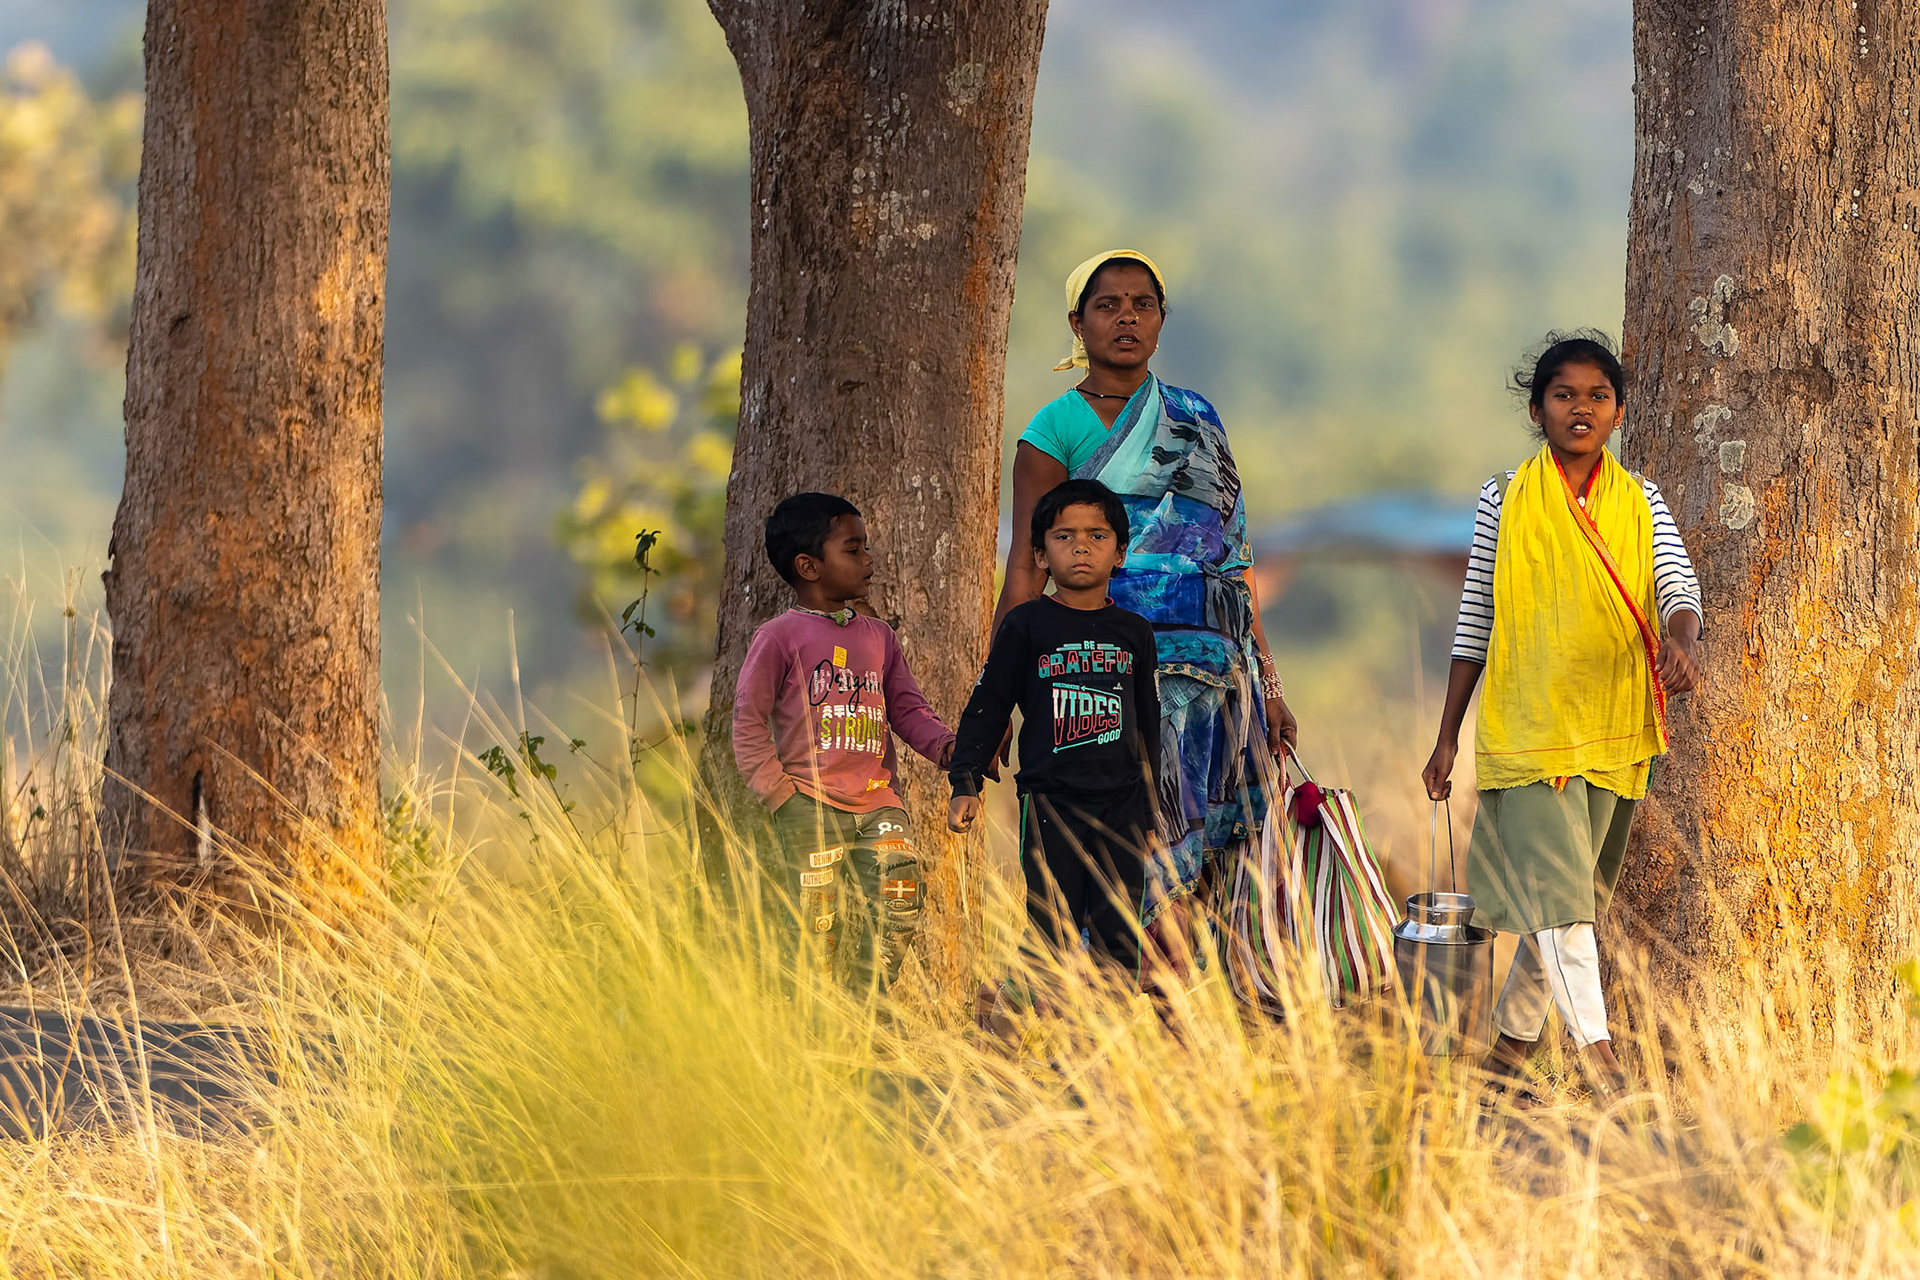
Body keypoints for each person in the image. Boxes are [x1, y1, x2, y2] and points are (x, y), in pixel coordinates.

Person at [1421, 332, 1703, 1096]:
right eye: (1564, 394)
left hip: (1614, 729)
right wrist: (1447, 737)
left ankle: (1509, 1056)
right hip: (1529, 727)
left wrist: (1681, 644)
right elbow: (1476, 616)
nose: (1581, 408)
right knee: (1562, 900)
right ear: (1538, 406)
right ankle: (1602, 1063)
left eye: (1597, 395)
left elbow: (1678, 589)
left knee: (1569, 899)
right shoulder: (1503, 498)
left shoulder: (1642, 500)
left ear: (1617, 411)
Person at [992, 249, 1297, 948]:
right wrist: (1000, 691)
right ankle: (1131, 1016)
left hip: (1215, 683)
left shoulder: (1199, 419)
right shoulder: (1053, 431)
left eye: (1142, 304)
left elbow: (1236, 559)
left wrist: (1269, 684)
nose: (1126, 317)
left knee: (1208, 868)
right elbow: (1024, 567)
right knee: (1121, 852)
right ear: (1078, 323)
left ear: (1161, 319)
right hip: (1103, 679)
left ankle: (1179, 1028)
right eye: (1107, 305)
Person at [732, 492, 956, 991]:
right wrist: (780, 796)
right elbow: (748, 722)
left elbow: (907, 709)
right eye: (852, 550)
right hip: (807, 804)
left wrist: (946, 748)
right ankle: (814, 1027)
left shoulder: (879, 636)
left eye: (865, 547)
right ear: (809, 566)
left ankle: (865, 1009)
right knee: (815, 928)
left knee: (900, 903)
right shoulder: (779, 636)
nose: (868, 560)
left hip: (879, 802)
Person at [949, 479, 1161, 978]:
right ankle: (1022, 1039)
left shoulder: (1135, 632)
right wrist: (966, 781)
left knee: (1119, 932)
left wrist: (1152, 812)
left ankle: (1105, 1046)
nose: (1081, 546)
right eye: (1064, 537)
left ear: (1120, 553)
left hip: (1123, 805)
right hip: (1050, 803)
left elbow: (1148, 725)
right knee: (1051, 931)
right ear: (1041, 556)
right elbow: (989, 705)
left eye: (1097, 536)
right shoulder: (1026, 626)